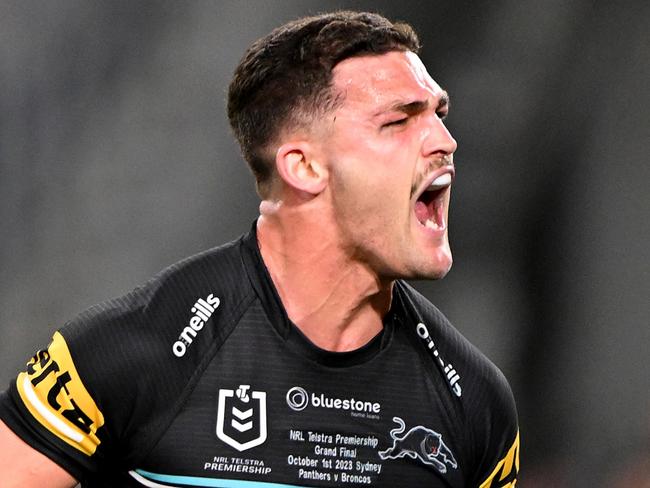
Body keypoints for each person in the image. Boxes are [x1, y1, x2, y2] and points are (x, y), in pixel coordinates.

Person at [0, 11, 519, 487]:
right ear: (304, 167)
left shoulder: (474, 403)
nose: (445, 140)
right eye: (399, 120)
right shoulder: (129, 358)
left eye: (438, 113)